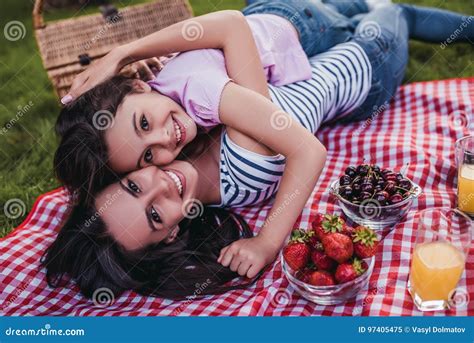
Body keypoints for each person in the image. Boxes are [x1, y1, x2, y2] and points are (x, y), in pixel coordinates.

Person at [46, 1, 473, 298]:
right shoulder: (243, 157)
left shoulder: (180, 135)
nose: (161, 184)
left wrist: (127, 54)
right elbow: (309, 152)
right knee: (391, 11)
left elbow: (232, 35)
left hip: (303, 42)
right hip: (366, 64)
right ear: (173, 233)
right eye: (155, 216)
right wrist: (268, 242)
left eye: (136, 186)